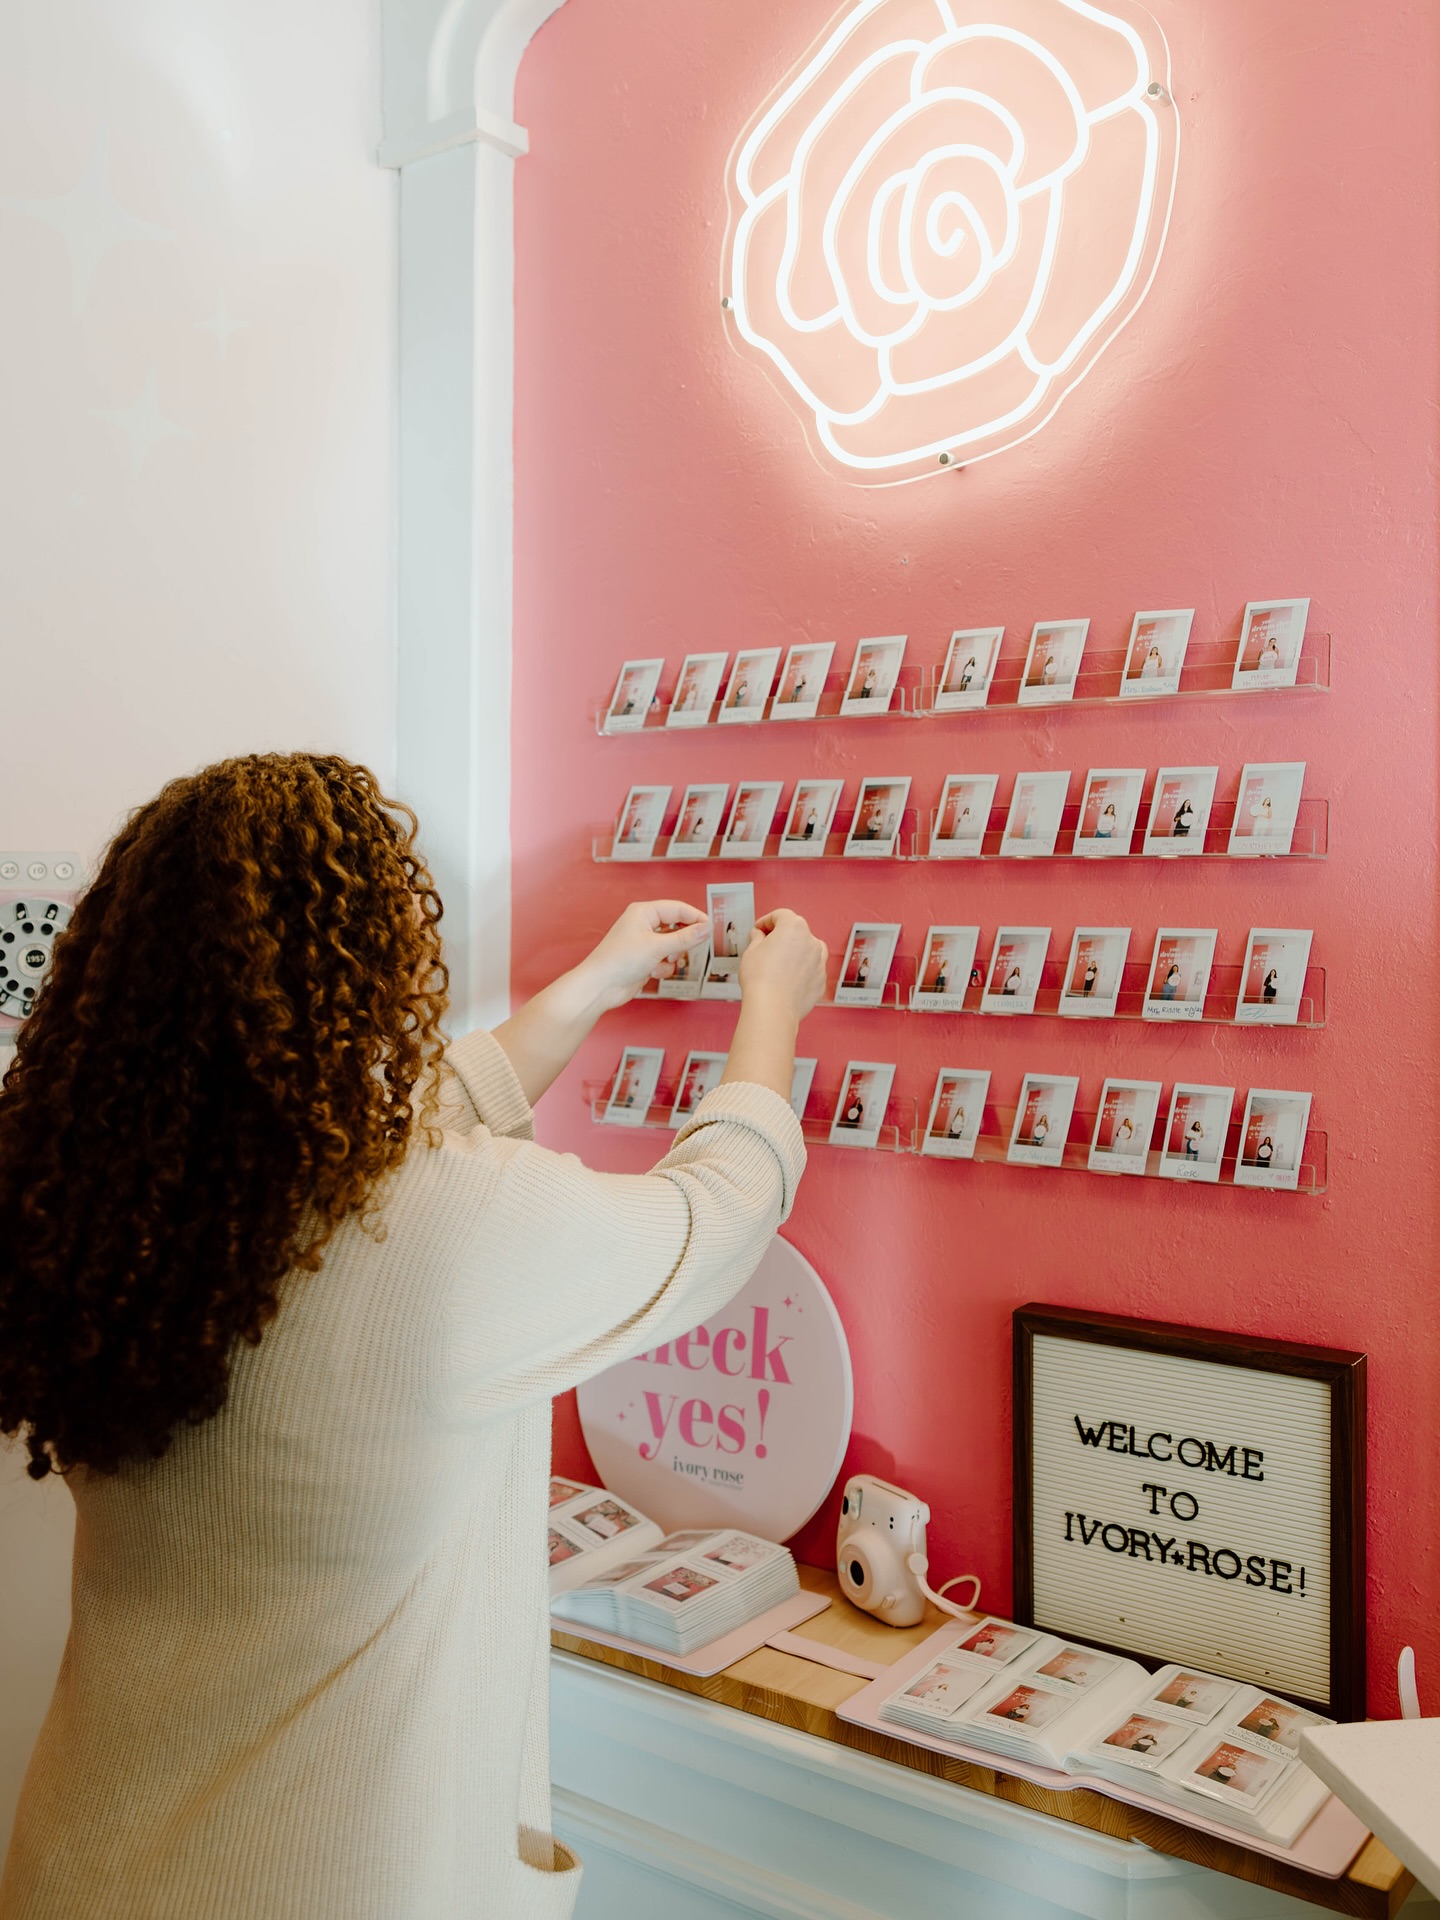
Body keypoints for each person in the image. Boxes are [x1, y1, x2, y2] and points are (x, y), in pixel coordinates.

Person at [0, 752, 827, 1920]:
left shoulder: (104, 1200)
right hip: (320, 1883)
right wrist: (775, 1005)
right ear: (371, 959)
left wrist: (592, 986)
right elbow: (715, 1214)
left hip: (84, 1860)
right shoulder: (439, 1218)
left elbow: (388, 1134)